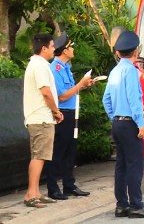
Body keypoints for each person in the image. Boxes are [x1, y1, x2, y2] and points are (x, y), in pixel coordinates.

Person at [102, 30, 144, 219]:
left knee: (121, 165)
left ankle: (121, 205)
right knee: (135, 165)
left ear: (118, 53)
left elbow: (106, 99)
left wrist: (114, 117)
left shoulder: (114, 71)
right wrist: (141, 124)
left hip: (118, 123)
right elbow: (134, 100)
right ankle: (136, 204)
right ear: (136, 52)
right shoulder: (131, 72)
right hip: (130, 124)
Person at [45, 33, 93, 200]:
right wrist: (80, 84)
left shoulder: (66, 67)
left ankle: (69, 185)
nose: (73, 49)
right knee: (58, 151)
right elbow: (62, 96)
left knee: (70, 151)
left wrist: (83, 85)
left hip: (72, 112)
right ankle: (53, 187)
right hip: (62, 115)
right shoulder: (55, 69)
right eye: (71, 47)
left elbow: (71, 92)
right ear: (64, 51)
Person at [23, 33, 64, 208]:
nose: (54, 49)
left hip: (41, 117)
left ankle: (36, 193)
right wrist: (56, 111)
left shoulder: (39, 64)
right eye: (52, 46)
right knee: (39, 156)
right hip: (41, 118)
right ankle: (31, 194)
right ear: (44, 48)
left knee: (39, 155)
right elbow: (45, 92)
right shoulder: (39, 66)